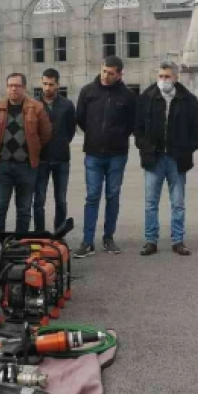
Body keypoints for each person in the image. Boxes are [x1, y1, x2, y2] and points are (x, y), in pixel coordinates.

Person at [135, 61, 198, 256]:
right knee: (150, 202)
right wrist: (145, 147)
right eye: (161, 76)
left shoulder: (188, 99)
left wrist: (189, 148)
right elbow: (138, 128)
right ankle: (150, 240)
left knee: (178, 202)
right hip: (153, 158)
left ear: (176, 77)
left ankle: (178, 240)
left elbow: (195, 127)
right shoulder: (146, 98)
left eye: (167, 77)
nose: (163, 80)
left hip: (177, 158)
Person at [74, 56, 137, 257]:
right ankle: (87, 241)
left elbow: (131, 124)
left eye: (111, 73)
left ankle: (108, 238)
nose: (106, 75)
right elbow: (81, 119)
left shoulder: (127, 96)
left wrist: (117, 135)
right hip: (93, 153)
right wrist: (94, 135)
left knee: (112, 196)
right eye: (103, 71)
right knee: (92, 196)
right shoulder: (87, 91)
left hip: (117, 155)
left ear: (119, 74)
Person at [0, 73, 52, 234]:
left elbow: (45, 134)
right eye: (10, 85)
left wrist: (33, 148)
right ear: (6, 87)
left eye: (17, 85)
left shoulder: (36, 107)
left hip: (27, 166)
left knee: (23, 210)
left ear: (24, 88)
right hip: (2, 166)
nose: (13, 89)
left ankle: (20, 244)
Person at [33, 69, 77, 233]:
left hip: (61, 159)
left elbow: (71, 131)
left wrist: (61, 143)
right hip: (41, 160)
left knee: (61, 199)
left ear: (57, 85)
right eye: (45, 84)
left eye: (51, 84)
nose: (47, 88)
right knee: (39, 200)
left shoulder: (67, 105)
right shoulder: (34, 105)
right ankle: (40, 234)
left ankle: (59, 233)